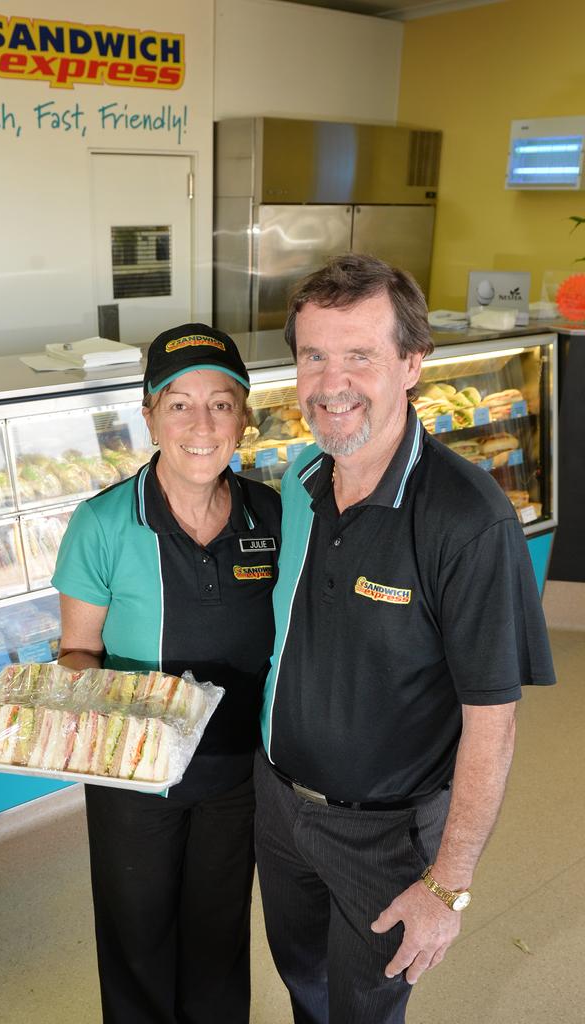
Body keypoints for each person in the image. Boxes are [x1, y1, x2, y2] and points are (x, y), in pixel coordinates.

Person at [254, 253, 556, 1024]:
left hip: (384, 835)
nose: (331, 382)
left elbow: (492, 722)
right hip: (282, 805)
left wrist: (447, 887)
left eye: (360, 355)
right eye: (313, 355)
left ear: (413, 363)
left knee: (363, 1008)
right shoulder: (304, 480)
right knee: (304, 984)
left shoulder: (468, 518)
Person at [52, 323, 281, 1024]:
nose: (201, 424)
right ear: (148, 415)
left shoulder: (272, 513)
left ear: (245, 415)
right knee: (136, 934)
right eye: (178, 404)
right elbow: (78, 649)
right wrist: (70, 698)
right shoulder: (103, 523)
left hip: (239, 772)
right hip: (134, 772)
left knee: (218, 933)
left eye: (221, 403)